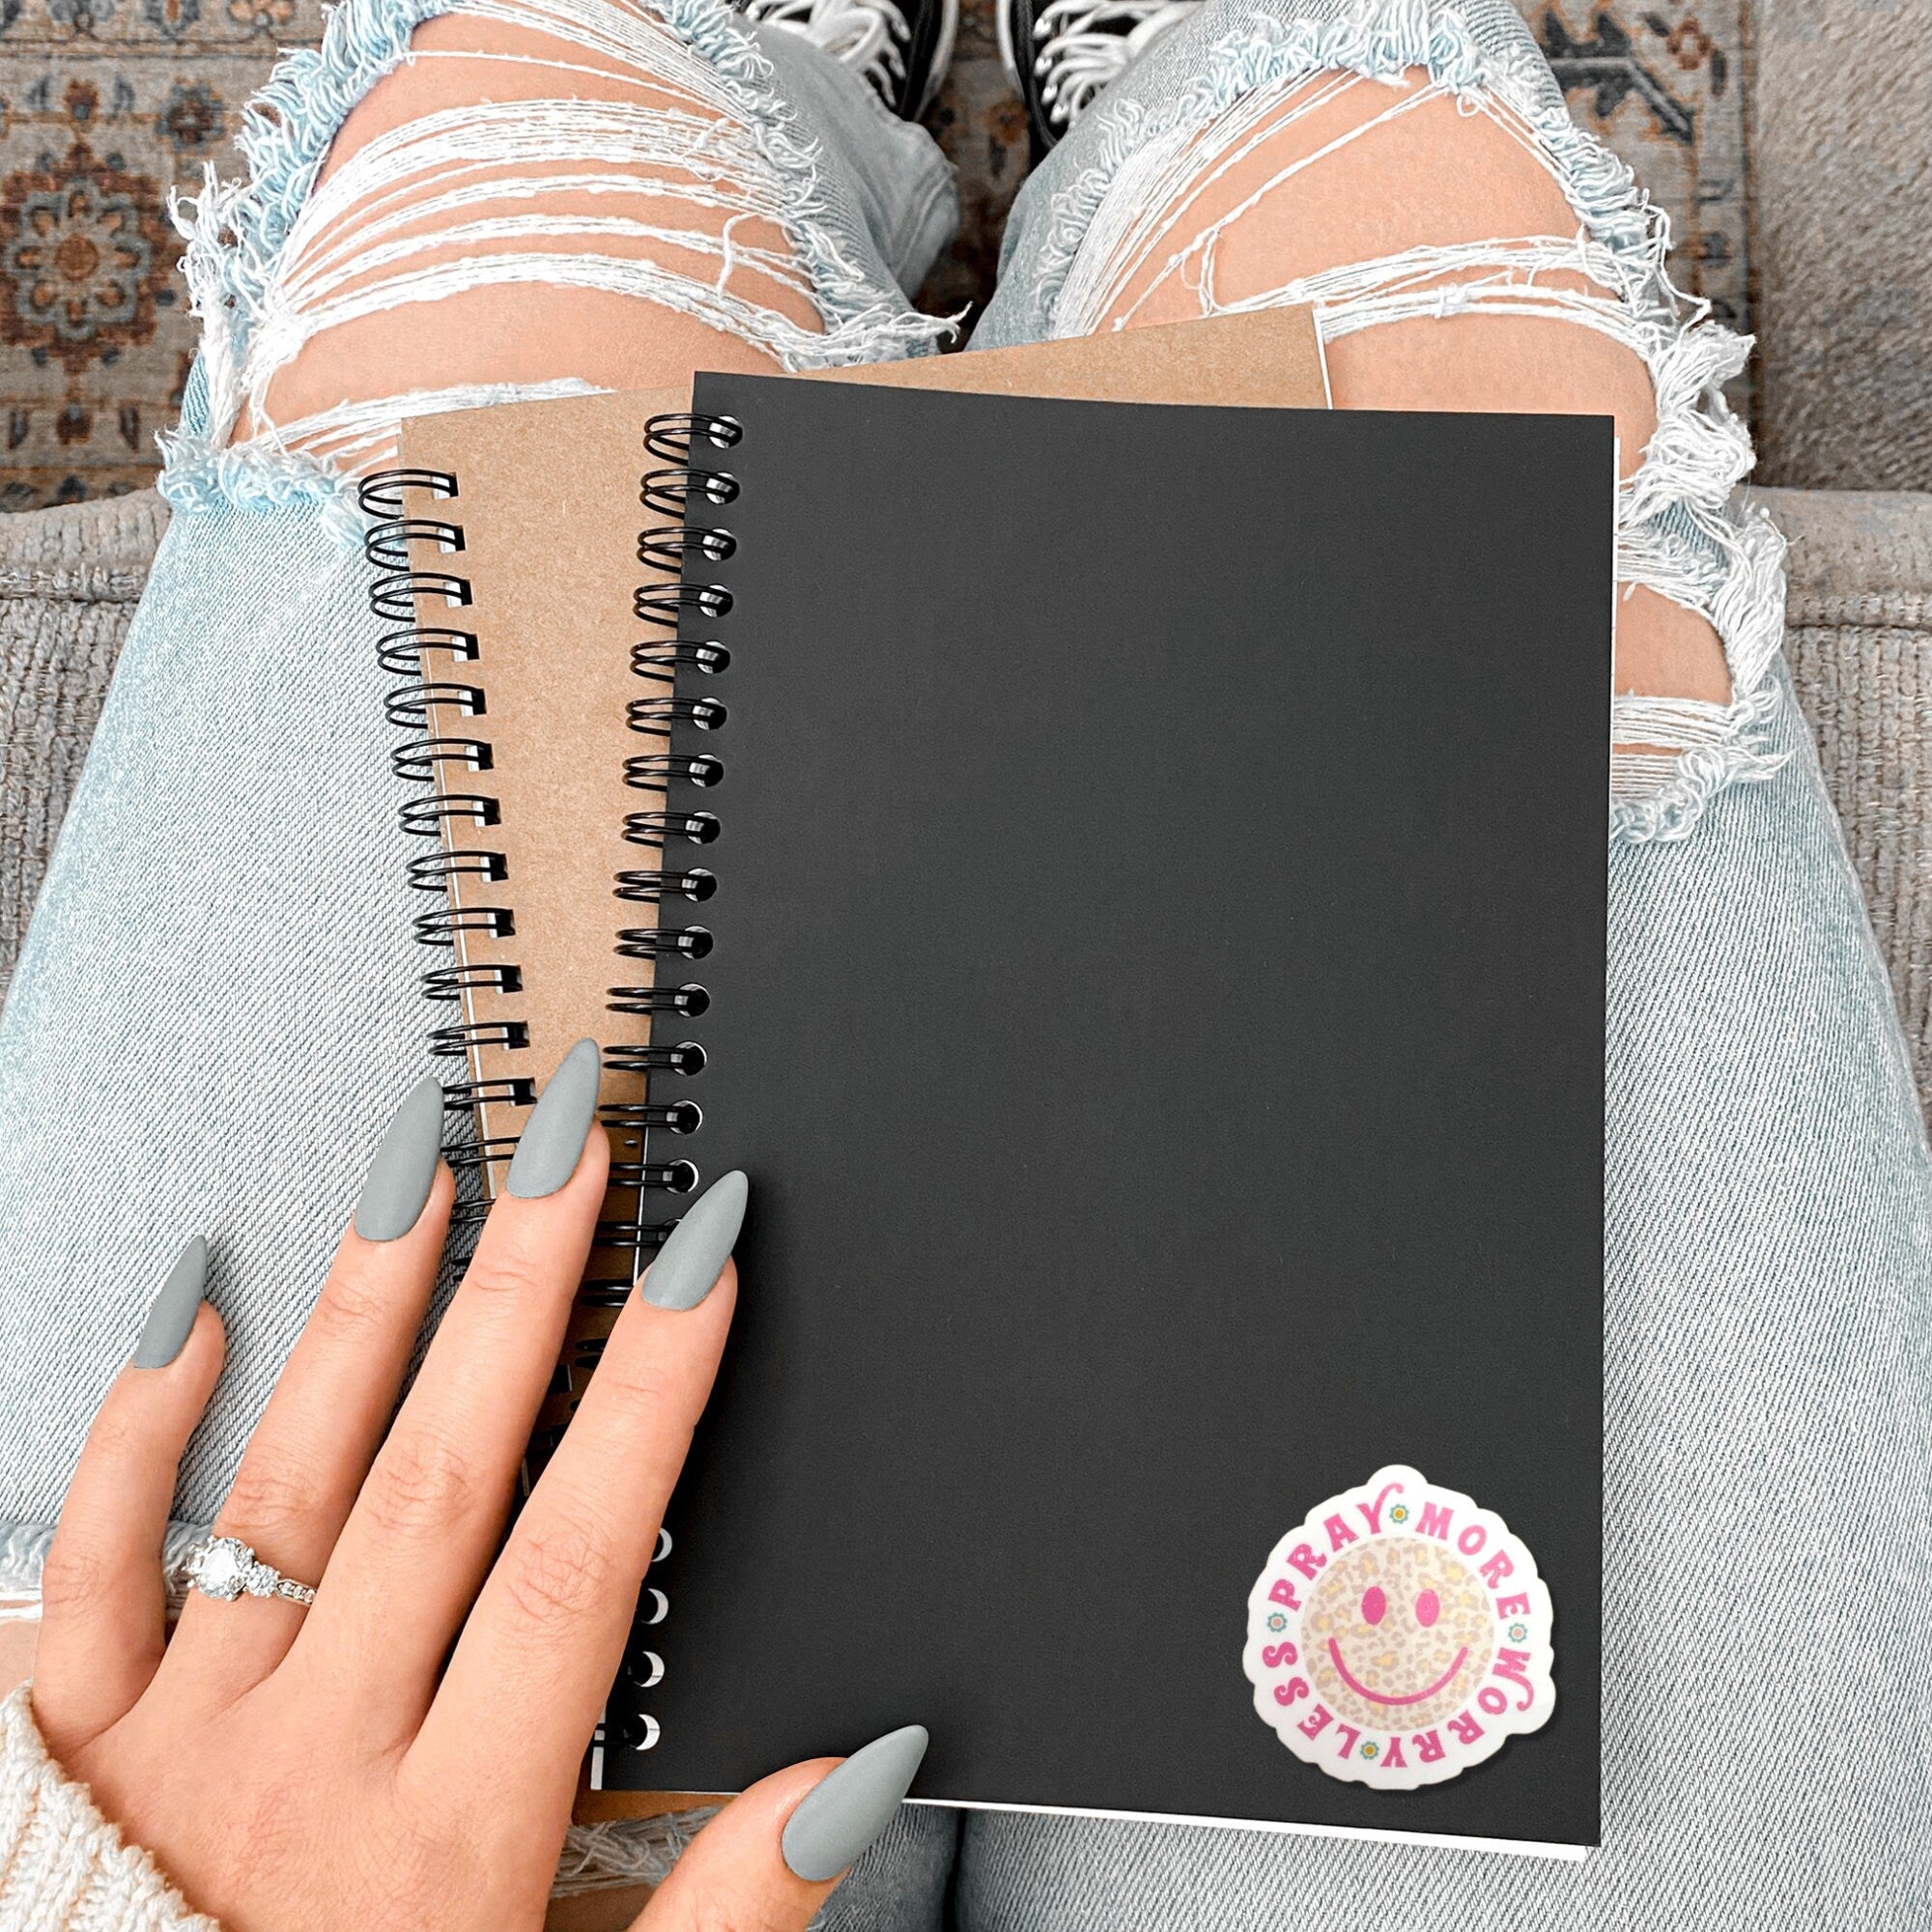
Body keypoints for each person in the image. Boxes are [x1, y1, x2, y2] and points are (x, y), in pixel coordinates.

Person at [0, 0, 1925, 1923]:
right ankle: (1184, 79)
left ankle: (783, 94)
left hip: (145, 1812)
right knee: (1404, 237)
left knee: (518, 128)